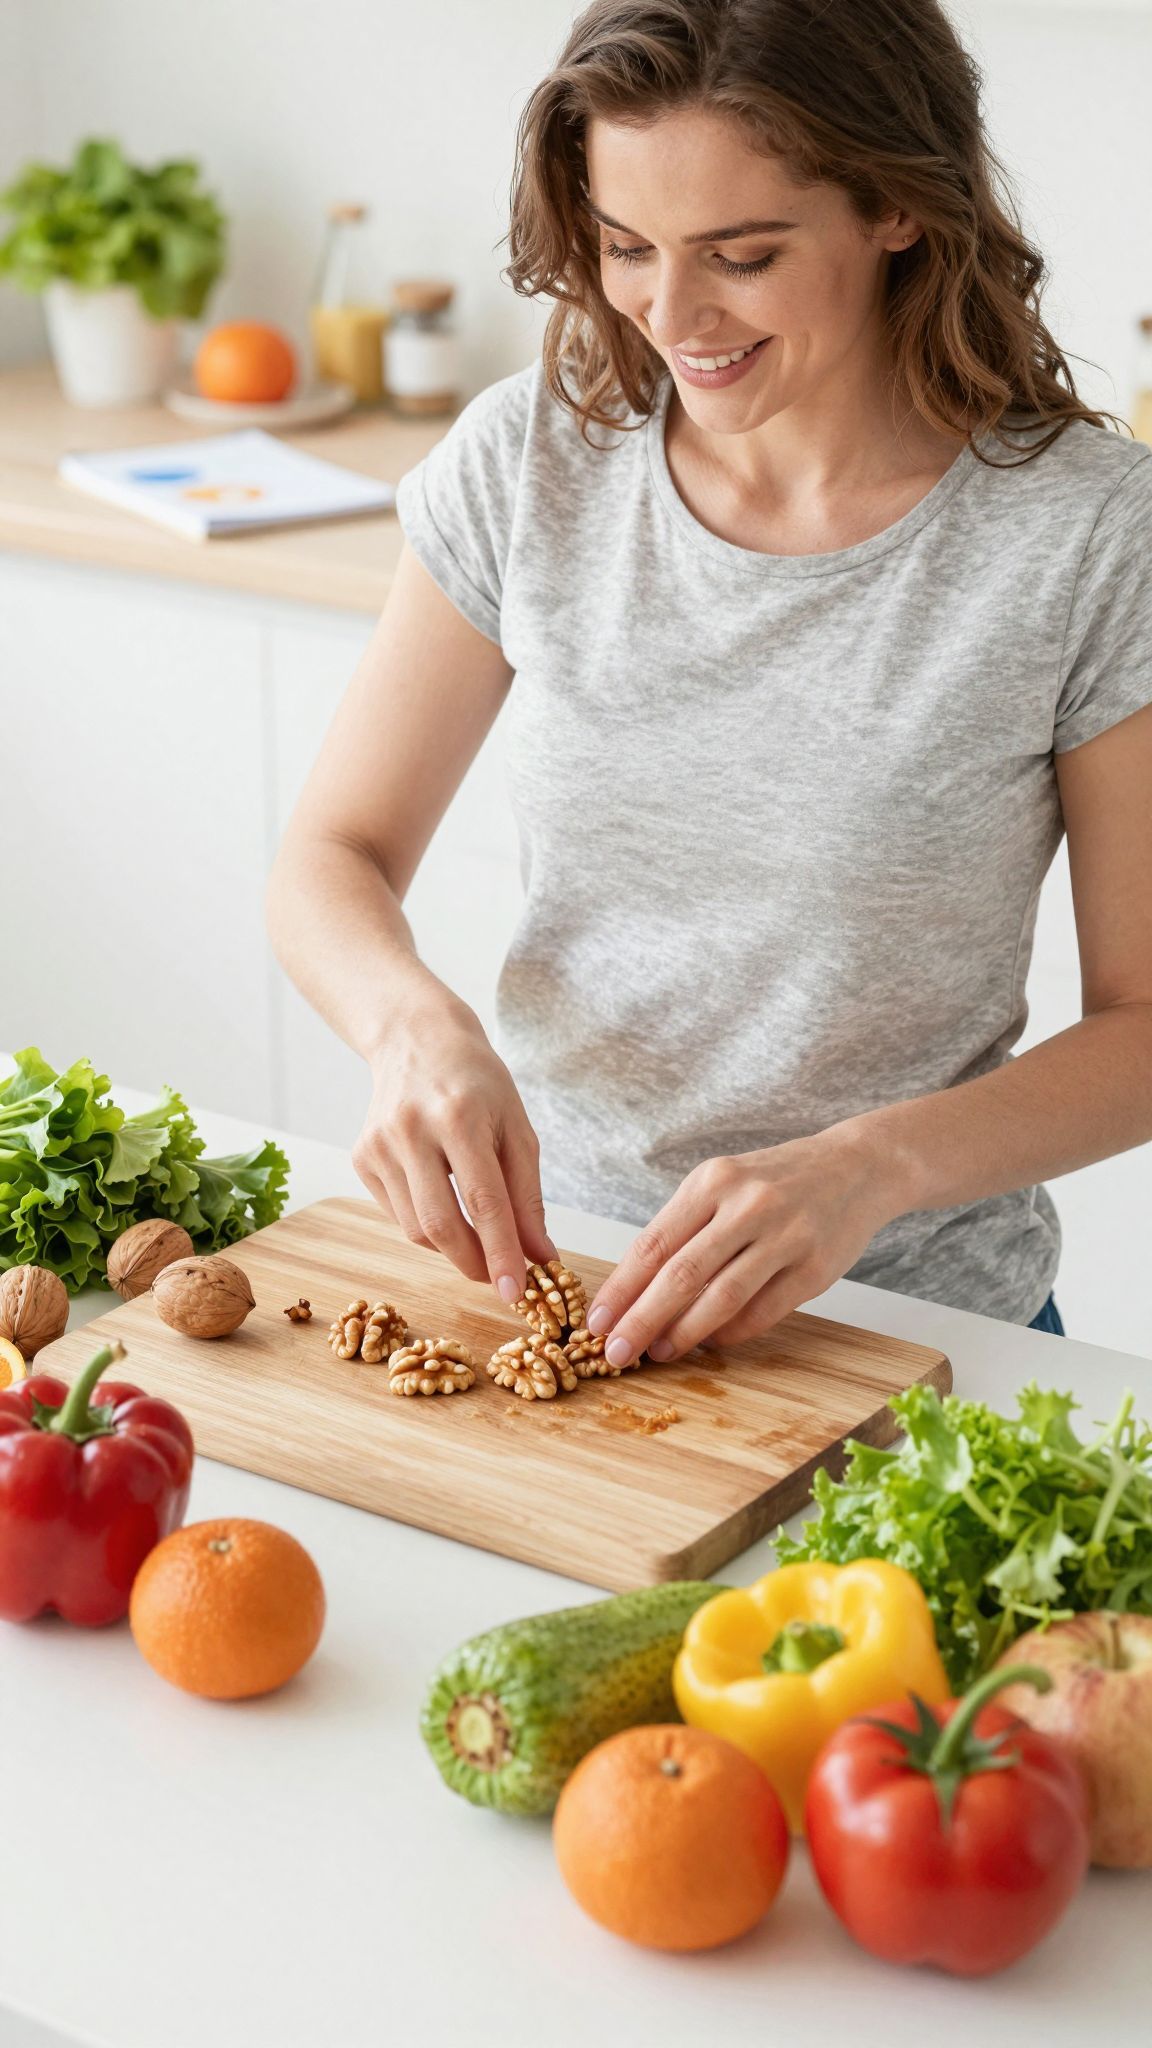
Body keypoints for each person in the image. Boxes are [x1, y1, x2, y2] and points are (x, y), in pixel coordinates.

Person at [267, 0, 1152, 1370]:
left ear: (897, 210)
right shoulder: (535, 459)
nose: (672, 316)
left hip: (914, 1332)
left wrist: (867, 1168)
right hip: (555, 1290)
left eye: (741, 255)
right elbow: (332, 854)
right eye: (627, 248)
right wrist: (410, 1029)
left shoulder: (1085, 535)